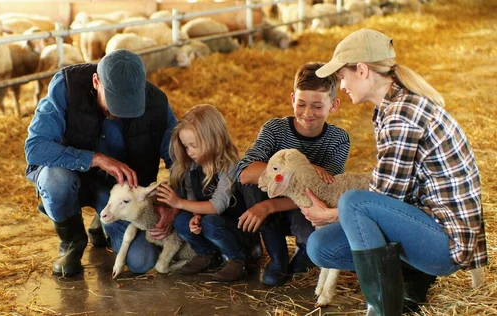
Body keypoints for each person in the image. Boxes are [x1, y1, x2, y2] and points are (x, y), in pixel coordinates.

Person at [307, 28, 488, 315]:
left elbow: (384, 196)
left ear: (363, 70)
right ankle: (403, 280)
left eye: (342, 77)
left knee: (352, 202)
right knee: (320, 246)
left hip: (447, 243)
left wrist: (330, 214)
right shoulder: (389, 108)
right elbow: (391, 190)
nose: (341, 86)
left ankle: (382, 309)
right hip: (426, 223)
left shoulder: (402, 113)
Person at [24, 49, 179, 277]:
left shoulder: (156, 103)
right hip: (72, 176)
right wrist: (95, 159)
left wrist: (173, 203)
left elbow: (178, 160)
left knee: (142, 260)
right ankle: (72, 243)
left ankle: (102, 218)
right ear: (96, 82)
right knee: (54, 179)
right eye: (116, 103)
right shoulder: (67, 87)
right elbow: (35, 147)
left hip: (117, 192)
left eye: (130, 104)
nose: (123, 112)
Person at [236, 62, 350, 286]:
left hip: (302, 208)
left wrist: (268, 206)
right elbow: (245, 173)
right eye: (301, 104)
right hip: (270, 206)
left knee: (315, 238)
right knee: (252, 186)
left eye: (317, 106)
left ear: (334, 105)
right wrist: (301, 170)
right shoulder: (275, 129)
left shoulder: (338, 139)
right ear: (292, 99)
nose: (307, 113)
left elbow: (326, 190)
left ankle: (305, 250)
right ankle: (277, 258)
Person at [155, 104, 249, 282]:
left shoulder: (229, 165)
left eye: (194, 145)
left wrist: (178, 203)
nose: (189, 152)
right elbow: (192, 195)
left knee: (211, 222)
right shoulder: (191, 165)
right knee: (182, 220)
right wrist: (195, 216)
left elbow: (217, 206)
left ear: (214, 138)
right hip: (208, 220)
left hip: (233, 227)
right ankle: (207, 254)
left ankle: (238, 259)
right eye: (185, 146)